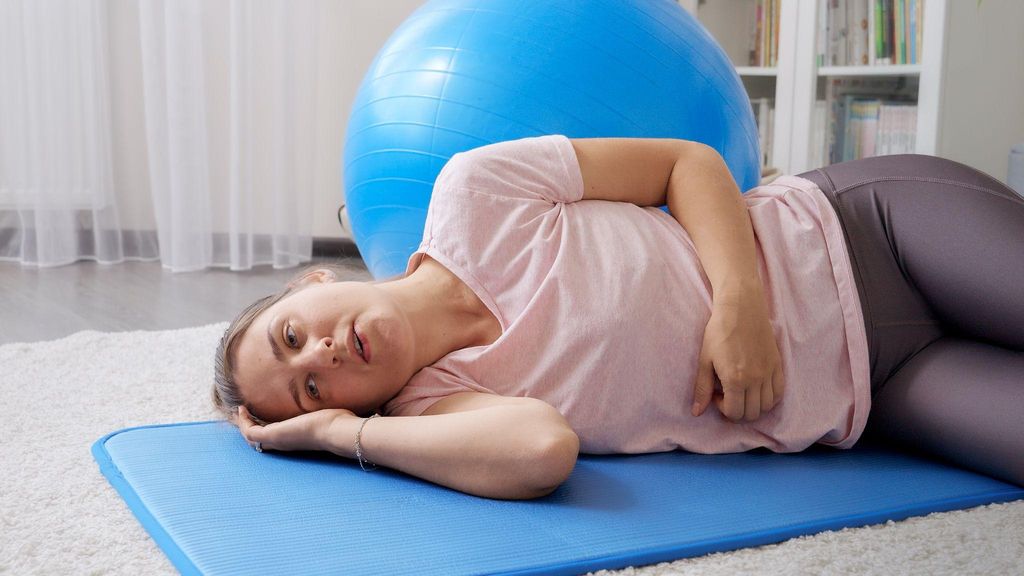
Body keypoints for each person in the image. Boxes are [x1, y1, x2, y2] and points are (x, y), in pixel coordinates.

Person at [212, 135, 1024, 500]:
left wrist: (739, 304)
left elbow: (686, 163)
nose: (321, 353)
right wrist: (334, 438)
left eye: (292, 334)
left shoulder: (474, 191)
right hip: (879, 393)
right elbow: (541, 450)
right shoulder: (439, 406)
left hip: (870, 231)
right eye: (313, 388)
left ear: (310, 281)